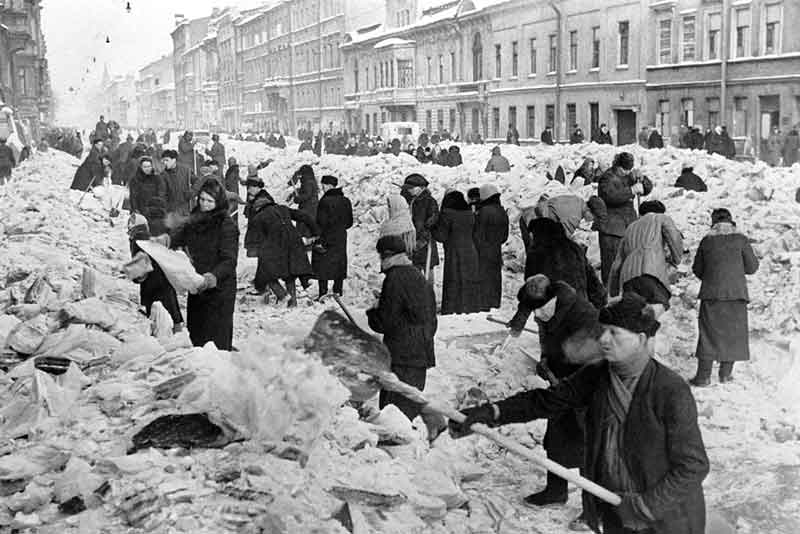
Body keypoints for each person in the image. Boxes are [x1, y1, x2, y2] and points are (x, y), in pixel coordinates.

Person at [451, 293, 710, 534]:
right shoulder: (598, 375)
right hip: (616, 509)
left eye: (614, 333)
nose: (604, 339)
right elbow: (546, 400)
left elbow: (693, 466)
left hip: (666, 518)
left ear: (641, 339)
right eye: (602, 331)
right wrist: (491, 412)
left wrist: (645, 506)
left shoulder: (669, 390)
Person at [505, 275, 601, 528]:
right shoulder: (549, 307)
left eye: (537, 313)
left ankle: (594, 509)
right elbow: (551, 344)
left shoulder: (583, 314)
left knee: (586, 445)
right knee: (557, 438)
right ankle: (556, 490)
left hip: (585, 389)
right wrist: (546, 363)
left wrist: (570, 382)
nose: (536, 318)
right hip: (561, 384)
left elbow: (594, 357)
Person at [367, 235, 438, 421]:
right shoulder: (417, 275)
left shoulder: (394, 278)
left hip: (401, 357)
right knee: (408, 409)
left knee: (394, 416)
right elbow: (431, 317)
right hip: (420, 354)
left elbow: (384, 322)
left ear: (385, 256)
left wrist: (374, 309)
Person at [690, 209, 759, 386]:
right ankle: (725, 375)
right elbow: (752, 267)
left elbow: (697, 269)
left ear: (713, 223)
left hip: (712, 294)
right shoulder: (741, 239)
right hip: (736, 294)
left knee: (708, 334)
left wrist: (713, 277)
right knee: (733, 334)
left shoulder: (707, 241)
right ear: (732, 222)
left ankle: (703, 377)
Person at [169, 179, 239, 350]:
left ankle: (220, 373)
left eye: (209, 201)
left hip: (219, 288)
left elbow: (229, 260)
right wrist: (166, 240)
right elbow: (180, 236)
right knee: (197, 335)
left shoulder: (226, 225)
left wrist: (213, 277)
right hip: (198, 285)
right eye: (202, 199)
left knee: (216, 339)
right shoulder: (195, 219)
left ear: (218, 202)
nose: (204, 204)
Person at [608, 200, 683, 318]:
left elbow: (616, 264)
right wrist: (677, 257)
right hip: (651, 272)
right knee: (660, 305)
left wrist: (613, 292)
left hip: (628, 278)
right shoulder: (660, 218)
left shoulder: (630, 228)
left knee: (635, 314)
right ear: (661, 212)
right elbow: (673, 235)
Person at [251, 187, 318, 307]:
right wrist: (315, 232)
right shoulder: (283, 208)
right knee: (289, 273)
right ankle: (292, 303)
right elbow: (304, 216)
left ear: (258, 208)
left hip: (276, 245)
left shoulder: (259, 217)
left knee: (265, 274)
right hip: (294, 242)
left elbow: (256, 239)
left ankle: (282, 295)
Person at [594, 152, 654, 284]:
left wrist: (642, 179)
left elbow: (647, 188)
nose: (626, 172)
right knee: (611, 266)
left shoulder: (628, 176)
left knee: (627, 264)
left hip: (627, 227)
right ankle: (609, 295)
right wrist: (631, 191)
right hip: (611, 229)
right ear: (617, 166)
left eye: (629, 170)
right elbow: (611, 196)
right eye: (623, 169)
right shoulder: (607, 178)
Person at [523, 216, 606, 309]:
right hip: (580, 306)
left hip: (554, 309)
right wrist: (600, 302)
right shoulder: (574, 248)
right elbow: (591, 277)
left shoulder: (537, 252)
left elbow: (531, 287)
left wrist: (519, 320)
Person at [127, 214, 183, 329]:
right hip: (163, 279)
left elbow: (141, 267)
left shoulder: (137, 239)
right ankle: (177, 331)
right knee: (170, 311)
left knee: (158, 316)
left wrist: (133, 274)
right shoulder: (147, 236)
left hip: (152, 284)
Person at [432, 190, 482, 314]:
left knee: (454, 281)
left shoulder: (447, 213)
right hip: (471, 250)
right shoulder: (469, 213)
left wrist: (432, 228)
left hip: (454, 251)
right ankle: (469, 307)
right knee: (469, 280)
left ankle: (452, 308)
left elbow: (441, 236)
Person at [312, 175, 353, 299]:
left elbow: (321, 222)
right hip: (340, 236)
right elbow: (349, 222)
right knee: (339, 263)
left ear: (329, 185)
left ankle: (323, 293)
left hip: (326, 236)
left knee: (322, 264)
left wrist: (318, 237)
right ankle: (338, 291)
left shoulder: (324, 201)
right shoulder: (345, 200)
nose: (322, 187)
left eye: (323, 184)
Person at [474, 184, 509, 310]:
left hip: (483, 251)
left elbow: (478, 234)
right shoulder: (502, 211)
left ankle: (484, 304)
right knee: (495, 277)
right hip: (496, 250)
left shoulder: (484, 212)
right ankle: (495, 302)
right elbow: (505, 236)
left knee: (484, 278)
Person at [403, 174, 440, 280]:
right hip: (414, 241)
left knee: (428, 270)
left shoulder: (430, 201)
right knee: (415, 271)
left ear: (420, 188)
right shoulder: (412, 201)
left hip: (426, 242)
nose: (409, 191)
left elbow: (432, 221)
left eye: (411, 188)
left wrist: (423, 239)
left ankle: (428, 293)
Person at [128, 156, 168, 233]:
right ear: (141, 167)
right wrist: (135, 210)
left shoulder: (157, 178)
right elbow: (133, 196)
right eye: (145, 167)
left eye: (149, 166)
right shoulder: (135, 179)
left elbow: (161, 194)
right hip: (141, 211)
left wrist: (158, 209)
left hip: (155, 212)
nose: (147, 169)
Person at [160, 149, 194, 217]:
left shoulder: (186, 171)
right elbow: (162, 195)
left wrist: (191, 192)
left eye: (167, 160)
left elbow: (197, 182)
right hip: (171, 211)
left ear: (174, 160)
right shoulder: (163, 175)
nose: (165, 163)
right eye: (163, 161)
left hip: (185, 209)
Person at [288, 164, 319, 238]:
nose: (300, 176)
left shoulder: (307, 182)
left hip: (307, 209)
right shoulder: (311, 181)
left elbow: (306, 195)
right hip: (311, 208)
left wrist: (297, 199)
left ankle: (305, 244)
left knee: (304, 229)